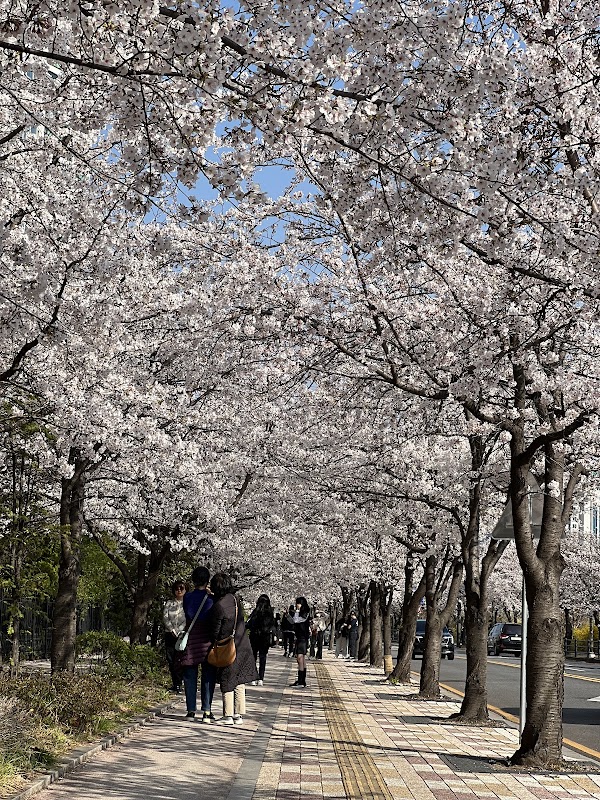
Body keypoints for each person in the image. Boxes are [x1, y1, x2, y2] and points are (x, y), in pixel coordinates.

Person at [209, 572, 258, 725]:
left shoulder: (219, 606)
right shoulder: (236, 600)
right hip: (242, 644)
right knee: (239, 679)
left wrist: (213, 642)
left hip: (228, 646)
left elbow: (215, 630)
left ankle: (228, 715)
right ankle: (238, 714)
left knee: (227, 678)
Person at [178, 566, 217, 723]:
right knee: (208, 675)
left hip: (192, 637)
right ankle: (207, 711)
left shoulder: (187, 597)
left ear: (193, 580)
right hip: (207, 639)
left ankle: (190, 710)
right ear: (207, 581)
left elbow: (189, 613)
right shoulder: (211, 599)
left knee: (190, 674)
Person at [162, 580, 186, 692]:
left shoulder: (187, 603)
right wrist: (171, 629)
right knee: (171, 659)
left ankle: (181, 682)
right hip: (169, 634)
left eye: (181, 588)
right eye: (177, 589)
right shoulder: (169, 603)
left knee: (181, 660)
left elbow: (188, 619)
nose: (179, 591)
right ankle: (175, 683)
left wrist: (180, 631)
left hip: (182, 636)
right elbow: (165, 617)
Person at [247, 594, 275, 686]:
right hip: (265, 637)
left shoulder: (256, 612)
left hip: (254, 636)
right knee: (263, 658)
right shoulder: (270, 612)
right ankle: (261, 678)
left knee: (253, 657)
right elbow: (272, 625)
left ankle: (253, 677)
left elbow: (249, 623)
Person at [290, 596, 311, 688]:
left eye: (298, 603)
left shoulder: (305, 613)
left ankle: (301, 681)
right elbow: (293, 622)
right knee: (301, 659)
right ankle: (301, 680)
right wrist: (287, 615)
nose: (296, 605)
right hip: (299, 637)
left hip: (303, 638)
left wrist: (297, 612)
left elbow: (297, 620)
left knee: (300, 658)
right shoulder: (300, 613)